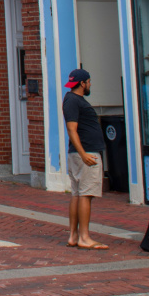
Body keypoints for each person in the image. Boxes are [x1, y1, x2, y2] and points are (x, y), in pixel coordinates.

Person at [62, 68, 107, 250]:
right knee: (85, 195)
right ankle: (84, 237)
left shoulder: (72, 100)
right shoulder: (73, 100)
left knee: (77, 194)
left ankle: (73, 236)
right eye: (88, 82)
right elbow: (72, 129)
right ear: (82, 83)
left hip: (80, 153)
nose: (90, 85)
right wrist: (83, 154)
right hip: (85, 153)